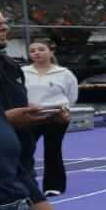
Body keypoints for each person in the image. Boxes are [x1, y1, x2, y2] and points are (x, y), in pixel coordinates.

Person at [20, 42, 74, 197]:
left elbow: (72, 96)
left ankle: (53, 186)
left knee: (53, 150)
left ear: (51, 52)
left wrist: (62, 110)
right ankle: (26, 184)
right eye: (32, 51)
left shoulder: (64, 73)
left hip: (56, 117)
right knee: (24, 150)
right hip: (30, 116)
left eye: (41, 49)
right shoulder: (22, 72)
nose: (36, 53)